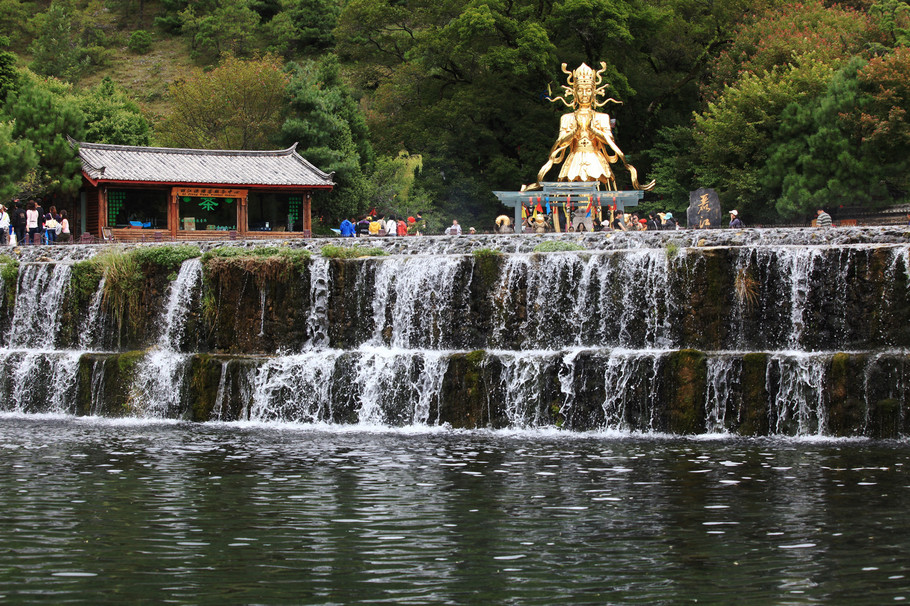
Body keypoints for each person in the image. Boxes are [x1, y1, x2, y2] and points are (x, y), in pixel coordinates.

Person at [524, 62, 654, 192]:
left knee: (602, 186)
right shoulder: (567, 117)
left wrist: (594, 131)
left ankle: (596, 211)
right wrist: (574, 131)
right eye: (580, 90)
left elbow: (610, 140)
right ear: (574, 92)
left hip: (595, 155)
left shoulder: (602, 117)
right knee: (569, 188)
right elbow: (560, 141)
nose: (584, 94)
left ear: (594, 92)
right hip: (574, 156)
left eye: (588, 90)